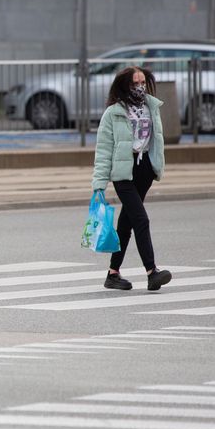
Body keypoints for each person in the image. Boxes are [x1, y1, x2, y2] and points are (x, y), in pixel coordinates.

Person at [92, 65, 171, 292]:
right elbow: (104, 149)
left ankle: (113, 274)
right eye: (135, 83)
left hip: (144, 169)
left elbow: (156, 140)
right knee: (140, 219)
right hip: (123, 172)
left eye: (142, 82)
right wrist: (99, 184)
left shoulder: (151, 107)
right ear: (125, 85)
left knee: (126, 223)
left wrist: (156, 165)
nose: (139, 87)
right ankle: (152, 271)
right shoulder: (114, 113)